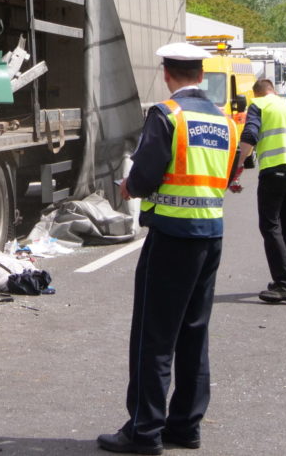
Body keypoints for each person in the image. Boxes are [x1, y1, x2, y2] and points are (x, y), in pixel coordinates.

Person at [97, 42, 238, 455]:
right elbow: (227, 174)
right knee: (194, 334)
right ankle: (186, 428)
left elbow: (144, 174)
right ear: (200, 74)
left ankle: (144, 432)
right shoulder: (225, 122)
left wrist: (130, 186)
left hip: (172, 237)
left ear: (167, 74)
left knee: (154, 336)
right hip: (211, 235)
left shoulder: (167, 115)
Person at [230, 78, 286, 303]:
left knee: (270, 225)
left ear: (258, 93)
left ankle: (284, 283)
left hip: (274, 169)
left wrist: (238, 169)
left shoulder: (259, 105)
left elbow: (250, 136)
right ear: (273, 90)